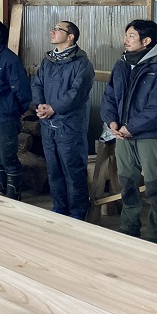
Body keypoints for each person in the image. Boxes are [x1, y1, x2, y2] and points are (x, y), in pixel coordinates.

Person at [100, 19, 157, 244]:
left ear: (146, 41)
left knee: (154, 186)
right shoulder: (122, 65)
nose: (125, 39)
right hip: (122, 134)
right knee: (127, 183)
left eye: (131, 36)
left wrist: (131, 127)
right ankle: (129, 228)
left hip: (148, 136)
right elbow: (109, 96)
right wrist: (111, 121)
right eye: (126, 35)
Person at [32, 21, 95, 220]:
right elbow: (37, 84)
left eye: (58, 29)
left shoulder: (82, 64)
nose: (52, 32)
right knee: (53, 170)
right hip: (48, 124)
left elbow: (76, 94)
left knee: (73, 170)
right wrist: (40, 106)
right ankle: (59, 208)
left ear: (70, 36)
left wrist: (54, 108)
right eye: (53, 28)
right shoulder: (48, 61)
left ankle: (78, 212)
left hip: (69, 126)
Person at [0, 20, 31, 200]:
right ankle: (0, 193)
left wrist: (13, 111)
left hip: (5, 117)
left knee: (8, 158)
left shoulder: (10, 60)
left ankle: (13, 197)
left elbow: (23, 91)